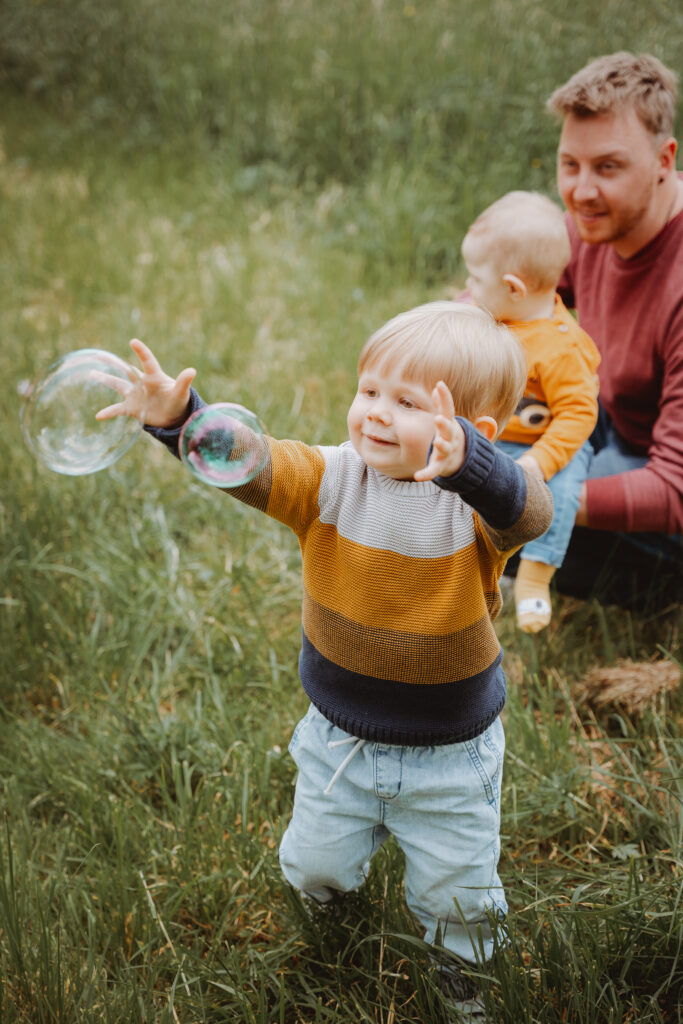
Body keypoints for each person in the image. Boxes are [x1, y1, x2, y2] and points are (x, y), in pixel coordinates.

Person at [97, 304, 552, 1019]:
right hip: (339, 740)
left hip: (449, 756)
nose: (373, 412)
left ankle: (465, 980)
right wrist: (180, 415)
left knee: (456, 894)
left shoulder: (472, 512)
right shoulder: (330, 479)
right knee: (314, 865)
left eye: (404, 402)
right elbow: (247, 462)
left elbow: (531, 515)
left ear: (471, 435)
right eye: (368, 390)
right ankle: (331, 927)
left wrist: (474, 468)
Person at [546, 51, 683, 609]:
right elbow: (506, 293)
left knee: (528, 521)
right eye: (569, 165)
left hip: (667, 484)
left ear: (664, 160)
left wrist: (528, 500)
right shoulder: (592, 222)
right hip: (621, 427)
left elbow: (675, 489)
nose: (580, 191)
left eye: (608, 167)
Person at [462, 190, 600, 633]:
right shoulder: (493, 316)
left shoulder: (559, 348)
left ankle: (535, 577)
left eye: (475, 280)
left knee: (562, 487)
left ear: (514, 289)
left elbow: (579, 414)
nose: (468, 291)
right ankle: (451, 553)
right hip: (496, 431)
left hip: (549, 441)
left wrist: (539, 462)